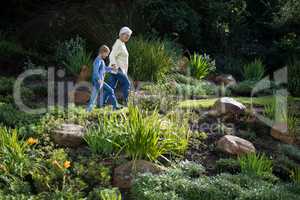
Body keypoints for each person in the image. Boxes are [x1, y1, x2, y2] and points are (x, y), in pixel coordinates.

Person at [103, 26, 132, 106]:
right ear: (121, 35)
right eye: (126, 35)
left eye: (128, 35)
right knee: (127, 84)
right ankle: (126, 103)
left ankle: (102, 103)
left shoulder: (122, 44)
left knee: (111, 86)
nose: (127, 37)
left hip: (116, 70)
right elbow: (111, 55)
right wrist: (114, 65)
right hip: (118, 69)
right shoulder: (118, 43)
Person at [86, 45, 119, 112]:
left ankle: (116, 106)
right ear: (103, 52)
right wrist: (99, 80)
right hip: (97, 81)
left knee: (110, 90)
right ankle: (88, 111)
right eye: (106, 54)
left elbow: (104, 69)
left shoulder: (101, 61)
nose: (107, 55)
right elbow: (95, 71)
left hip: (100, 81)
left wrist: (111, 68)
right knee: (93, 98)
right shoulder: (98, 60)